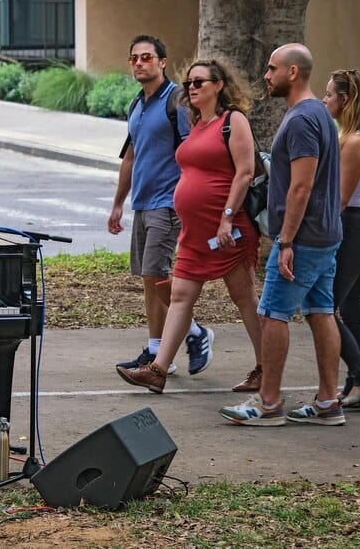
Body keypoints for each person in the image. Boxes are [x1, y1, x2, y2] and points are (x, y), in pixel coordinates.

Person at [117, 59, 262, 393]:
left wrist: (227, 217)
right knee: (180, 296)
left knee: (244, 297)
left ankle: (265, 368)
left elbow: (245, 172)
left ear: (219, 85)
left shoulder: (233, 120)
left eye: (199, 82)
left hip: (226, 230)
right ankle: (158, 370)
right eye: (188, 83)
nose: (191, 88)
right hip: (195, 232)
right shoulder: (197, 123)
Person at [220, 43, 345, 427]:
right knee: (320, 311)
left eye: (272, 68)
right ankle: (328, 403)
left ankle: (269, 403)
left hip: (303, 239)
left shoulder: (304, 119)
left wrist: (286, 240)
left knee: (272, 313)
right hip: (322, 235)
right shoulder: (318, 114)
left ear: (293, 72)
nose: (266, 75)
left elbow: (301, 187)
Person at [108, 35, 211, 377]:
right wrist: (118, 203)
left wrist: (190, 197)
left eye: (147, 57)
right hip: (143, 202)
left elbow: (192, 150)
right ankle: (155, 349)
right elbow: (131, 156)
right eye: (134, 58)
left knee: (156, 272)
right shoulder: (136, 105)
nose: (139, 63)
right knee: (149, 278)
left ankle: (195, 332)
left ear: (163, 62)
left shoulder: (177, 101)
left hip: (169, 203)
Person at [323, 69, 360, 408]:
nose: (324, 99)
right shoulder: (351, 137)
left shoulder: (354, 142)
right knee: (352, 311)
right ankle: (354, 389)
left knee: (323, 307)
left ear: (344, 100)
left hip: (354, 228)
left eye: (329, 94)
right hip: (357, 228)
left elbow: (340, 200)